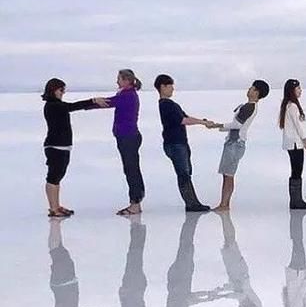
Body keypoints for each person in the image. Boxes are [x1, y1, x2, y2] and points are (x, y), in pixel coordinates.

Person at [41, 78, 109, 217]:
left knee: (58, 176)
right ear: (53, 90)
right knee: (53, 177)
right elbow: (73, 106)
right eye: (61, 90)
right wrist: (93, 101)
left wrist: (93, 102)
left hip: (63, 146)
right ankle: (53, 208)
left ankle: (56, 206)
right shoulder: (52, 105)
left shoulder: (57, 104)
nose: (63, 93)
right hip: (55, 146)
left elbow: (71, 107)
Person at [208, 80, 270, 211]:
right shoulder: (248, 106)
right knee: (227, 174)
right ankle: (224, 203)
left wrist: (216, 125)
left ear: (257, 92)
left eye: (252, 88)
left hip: (235, 144)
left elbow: (236, 125)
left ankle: (224, 204)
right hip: (235, 142)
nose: (249, 89)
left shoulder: (249, 107)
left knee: (228, 174)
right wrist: (219, 127)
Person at [155, 74, 214, 212]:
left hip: (177, 142)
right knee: (183, 173)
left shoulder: (170, 105)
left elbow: (185, 117)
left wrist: (203, 121)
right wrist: (202, 122)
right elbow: (183, 120)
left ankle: (192, 202)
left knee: (185, 172)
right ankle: (191, 203)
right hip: (175, 143)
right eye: (170, 86)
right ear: (163, 87)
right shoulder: (167, 105)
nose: (172, 89)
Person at [102, 69, 146, 216]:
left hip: (128, 137)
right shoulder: (125, 94)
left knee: (131, 169)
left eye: (119, 79)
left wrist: (90, 103)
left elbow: (109, 102)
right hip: (127, 136)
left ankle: (135, 203)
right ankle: (136, 201)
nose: (117, 81)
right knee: (131, 168)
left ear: (127, 81)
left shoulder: (127, 95)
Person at [278, 79, 306, 209]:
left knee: (296, 170)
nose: (300, 91)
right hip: (295, 143)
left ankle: (295, 200)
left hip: (292, 143)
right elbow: (299, 128)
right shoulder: (293, 106)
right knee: (297, 170)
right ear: (292, 90)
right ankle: (296, 201)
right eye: (298, 89)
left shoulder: (288, 105)